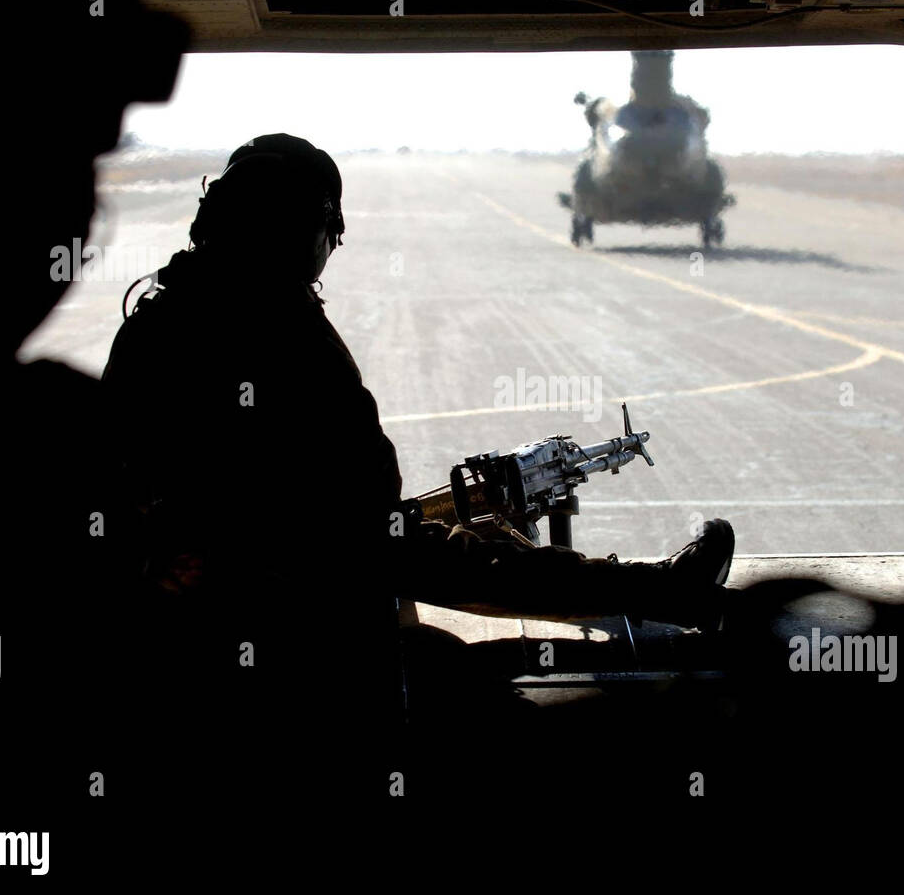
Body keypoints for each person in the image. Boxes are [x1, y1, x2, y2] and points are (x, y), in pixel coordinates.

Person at [101, 133, 740, 642]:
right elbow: (363, 510)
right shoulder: (284, 326)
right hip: (282, 598)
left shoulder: (156, 320)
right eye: (330, 234)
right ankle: (665, 592)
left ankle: (657, 587)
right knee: (459, 576)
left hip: (185, 589)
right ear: (308, 228)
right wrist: (428, 525)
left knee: (451, 545)